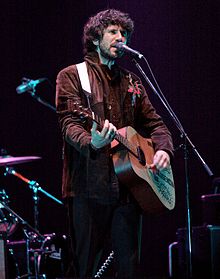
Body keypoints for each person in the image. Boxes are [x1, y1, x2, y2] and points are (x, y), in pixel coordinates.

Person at [56, 9, 173, 279]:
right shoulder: (73, 76)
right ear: (96, 38)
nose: (120, 38)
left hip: (129, 189)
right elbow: (68, 124)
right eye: (113, 32)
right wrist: (92, 141)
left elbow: (156, 124)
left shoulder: (133, 81)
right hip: (88, 189)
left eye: (124, 33)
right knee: (84, 268)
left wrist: (164, 149)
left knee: (129, 269)